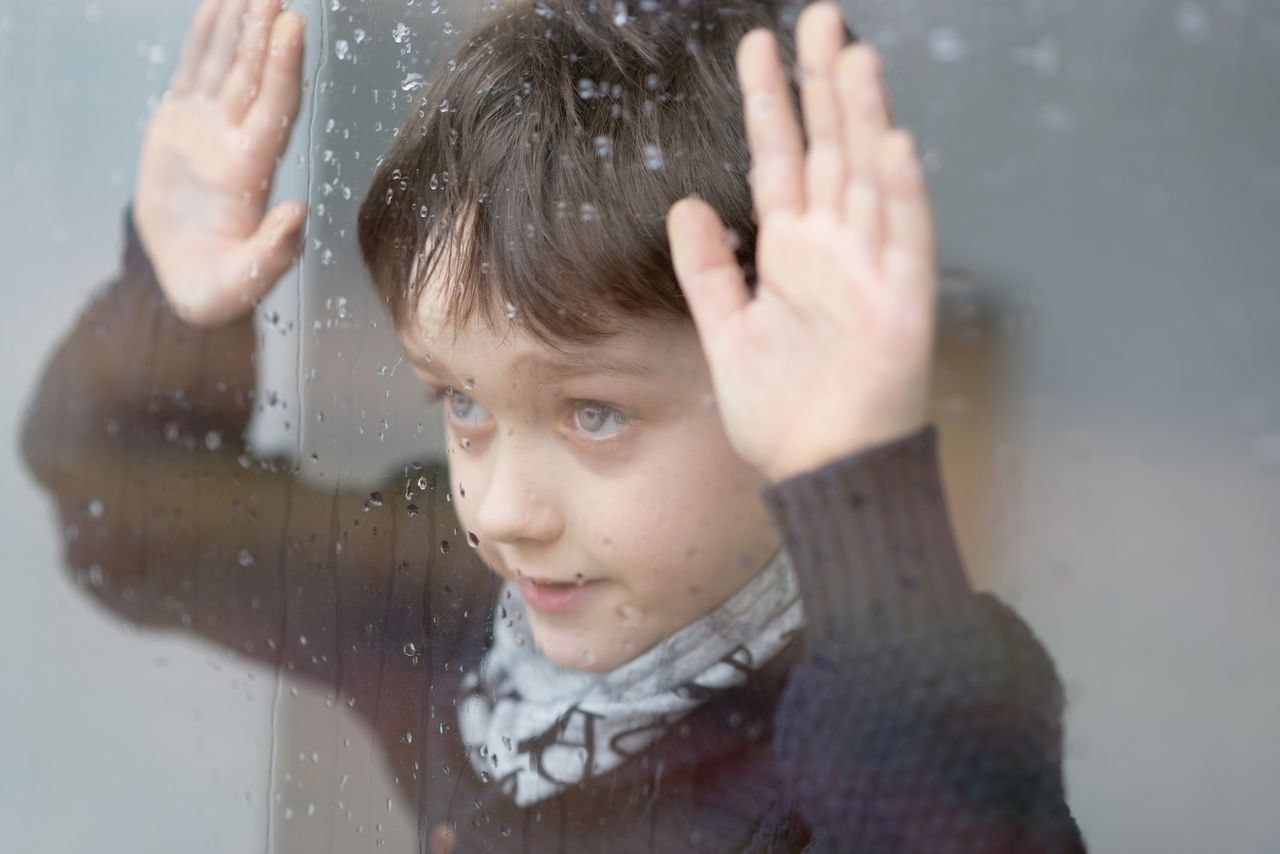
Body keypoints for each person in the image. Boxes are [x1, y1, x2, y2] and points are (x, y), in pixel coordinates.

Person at [23, 0, 1085, 849]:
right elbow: (135, 528)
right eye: (464, 403)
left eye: (593, 413)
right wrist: (169, 295)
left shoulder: (880, 708)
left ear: (776, 376)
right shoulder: (448, 591)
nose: (501, 508)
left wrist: (851, 477)